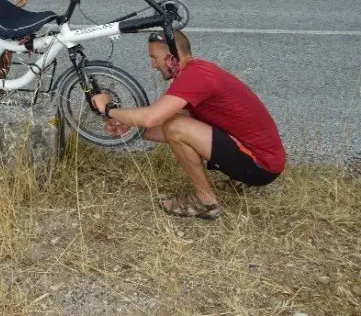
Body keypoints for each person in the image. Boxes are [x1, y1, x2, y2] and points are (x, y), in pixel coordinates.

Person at [91, 31, 285, 220]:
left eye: (154, 57)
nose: (152, 65)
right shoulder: (198, 71)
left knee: (176, 126)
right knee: (174, 124)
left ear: (171, 57)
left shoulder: (195, 77)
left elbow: (153, 118)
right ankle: (225, 185)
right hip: (264, 161)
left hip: (261, 166)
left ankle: (206, 203)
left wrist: (108, 109)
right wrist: (129, 128)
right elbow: (168, 126)